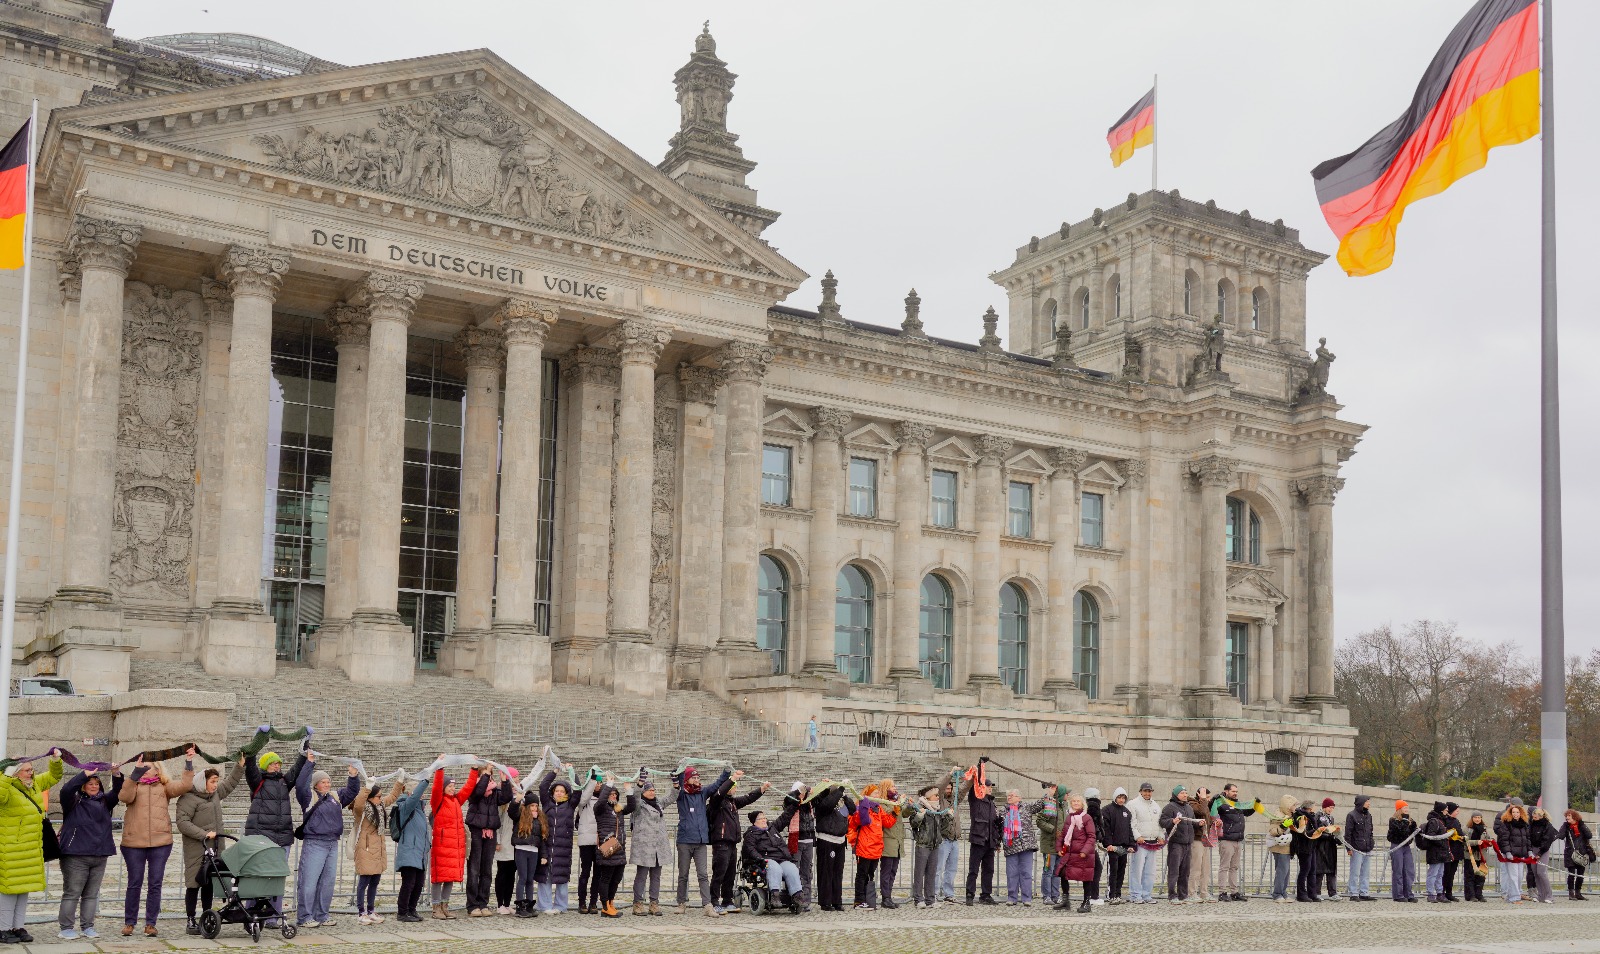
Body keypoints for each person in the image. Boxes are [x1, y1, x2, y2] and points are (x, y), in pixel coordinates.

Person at [119, 748, 195, 937]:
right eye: (142, 768)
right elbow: (124, 797)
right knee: (134, 883)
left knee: (155, 883)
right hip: (134, 842)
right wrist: (134, 774)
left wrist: (188, 763)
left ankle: (150, 923)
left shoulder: (164, 786)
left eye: (148, 767)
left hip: (160, 842)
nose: (145, 771)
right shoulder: (133, 784)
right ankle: (130, 922)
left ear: (157, 770)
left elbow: (185, 785)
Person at [0, 751, 63, 945]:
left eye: (31, 769)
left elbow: (54, 776)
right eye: (26, 770)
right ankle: (3, 928)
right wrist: (7, 774)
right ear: (15, 772)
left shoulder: (34, 784)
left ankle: (18, 927)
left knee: (23, 890)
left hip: (31, 849)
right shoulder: (7, 787)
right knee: (8, 891)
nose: (31, 773)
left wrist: (55, 760)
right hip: (11, 850)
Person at [175, 758, 244, 935]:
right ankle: (191, 919)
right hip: (196, 848)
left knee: (209, 884)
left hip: (214, 847)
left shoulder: (214, 795)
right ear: (202, 781)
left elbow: (230, 784)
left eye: (216, 781)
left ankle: (206, 916)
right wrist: (203, 834)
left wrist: (240, 766)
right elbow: (182, 822)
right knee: (193, 884)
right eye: (212, 781)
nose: (215, 785)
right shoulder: (188, 798)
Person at [55, 763, 122, 940]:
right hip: (76, 855)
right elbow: (66, 789)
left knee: (91, 895)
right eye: (90, 783)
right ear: (83, 786)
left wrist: (116, 774)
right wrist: (84, 774)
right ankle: (66, 928)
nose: (94, 786)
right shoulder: (72, 801)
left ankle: (88, 926)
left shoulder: (104, 801)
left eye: (96, 784)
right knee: (72, 893)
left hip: (99, 854)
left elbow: (117, 791)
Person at [244, 747, 307, 926]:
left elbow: (295, 770)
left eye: (278, 763)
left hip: (283, 837)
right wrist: (254, 746)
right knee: (258, 875)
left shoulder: (284, 782)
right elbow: (250, 768)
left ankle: (274, 916)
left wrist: (303, 752)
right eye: (272, 763)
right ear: (265, 766)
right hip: (262, 837)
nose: (276, 766)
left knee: (278, 878)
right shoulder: (258, 781)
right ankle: (251, 913)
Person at [295, 759, 360, 928]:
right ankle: (304, 916)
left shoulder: (335, 797)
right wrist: (309, 764)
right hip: (315, 843)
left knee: (327, 882)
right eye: (323, 782)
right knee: (309, 882)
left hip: (332, 843)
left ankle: (322, 914)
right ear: (316, 784)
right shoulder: (308, 797)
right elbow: (300, 785)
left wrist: (353, 775)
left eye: (328, 781)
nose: (327, 784)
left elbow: (352, 791)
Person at [709, 768, 768, 913]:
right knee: (719, 874)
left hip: (732, 843)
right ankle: (714, 901)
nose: (734, 788)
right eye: (732, 786)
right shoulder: (716, 800)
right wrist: (732, 778)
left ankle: (727, 900)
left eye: (735, 786)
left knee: (730, 874)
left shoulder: (733, 802)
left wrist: (761, 789)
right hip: (721, 843)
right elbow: (720, 792)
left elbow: (748, 798)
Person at [430, 761, 482, 919]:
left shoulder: (456, 801)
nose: (453, 789)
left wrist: (474, 769)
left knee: (450, 877)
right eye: (449, 786)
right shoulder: (438, 801)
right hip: (442, 846)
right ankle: (436, 908)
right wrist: (440, 768)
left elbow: (468, 788)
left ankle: (445, 906)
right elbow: (436, 788)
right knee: (438, 878)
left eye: (453, 786)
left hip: (455, 847)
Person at [669, 765, 722, 916]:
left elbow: (716, 785)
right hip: (685, 841)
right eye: (694, 777)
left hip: (700, 842)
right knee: (683, 875)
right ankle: (681, 903)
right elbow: (677, 779)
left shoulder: (702, 792)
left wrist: (726, 773)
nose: (697, 780)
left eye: (698, 777)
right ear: (687, 779)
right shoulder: (681, 794)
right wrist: (681, 767)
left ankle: (707, 905)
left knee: (703, 875)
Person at [349, 778, 399, 925]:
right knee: (363, 882)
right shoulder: (362, 810)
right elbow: (358, 803)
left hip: (378, 850)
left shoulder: (380, 805)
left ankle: (371, 910)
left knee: (375, 882)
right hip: (365, 849)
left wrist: (400, 781)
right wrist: (367, 787)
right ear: (370, 797)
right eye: (378, 796)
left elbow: (392, 796)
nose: (381, 798)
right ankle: (361, 912)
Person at [464, 766, 512, 917]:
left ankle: (483, 902)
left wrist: (504, 781)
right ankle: (472, 904)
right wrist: (484, 776)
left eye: (490, 774)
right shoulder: (474, 787)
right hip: (476, 831)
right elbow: (477, 794)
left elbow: (506, 798)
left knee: (487, 870)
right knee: (474, 869)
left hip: (490, 832)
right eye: (486, 774)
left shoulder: (494, 790)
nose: (489, 776)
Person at [628, 773, 672, 916]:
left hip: (658, 846)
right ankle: (638, 903)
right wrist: (640, 783)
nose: (652, 792)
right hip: (644, 847)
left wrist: (676, 784)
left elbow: (671, 797)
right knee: (641, 876)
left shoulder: (659, 803)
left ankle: (654, 903)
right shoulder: (639, 805)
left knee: (656, 876)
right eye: (649, 790)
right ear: (644, 792)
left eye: (653, 790)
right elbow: (635, 797)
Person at [392, 774, 433, 923]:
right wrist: (425, 780)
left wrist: (427, 845)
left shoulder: (419, 810)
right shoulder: (405, 806)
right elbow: (414, 797)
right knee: (408, 883)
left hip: (420, 853)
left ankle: (411, 909)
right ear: (411, 793)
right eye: (418, 792)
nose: (421, 796)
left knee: (419, 883)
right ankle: (402, 912)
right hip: (409, 851)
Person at [773, 780, 820, 910]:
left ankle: (806, 900)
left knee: (806, 871)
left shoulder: (809, 803)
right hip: (796, 840)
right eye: (801, 791)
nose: (803, 794)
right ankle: (792, 898)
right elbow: (789, 798)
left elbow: (818, 798)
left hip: (808, 840)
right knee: (793, 870)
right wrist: (800, 791)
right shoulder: (792, 802)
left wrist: (818, 789)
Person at [849, 784, 898, 910]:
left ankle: (868, 899)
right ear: (868, 795)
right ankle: (859, 900)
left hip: (876, 847)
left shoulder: (878, 808)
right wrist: (864, 806)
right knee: (862, 874)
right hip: (864, 847)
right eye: (875, 793)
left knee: (870, 874)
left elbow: (887, 822)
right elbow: (859, 820)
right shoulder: (862, 807)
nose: (878, 795)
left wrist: (894, 812)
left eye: (878, 793)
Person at [592, 778, 633, 918]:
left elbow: (632, 806)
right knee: (606, 878)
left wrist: (629, 790)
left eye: (615, 794)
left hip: (619, 849)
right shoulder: (600, 808)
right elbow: (601, 801)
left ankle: (610, 902)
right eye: (611, 794)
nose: (613, 796)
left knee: (616, 879)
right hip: (608, 848)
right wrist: (608, 785)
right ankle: (604, 906)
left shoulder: (618, 809)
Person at [812, 780, 855, 912]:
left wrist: (845, 796)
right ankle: (825, 902)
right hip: (826, 839)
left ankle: (837, 900)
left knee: (837, 872)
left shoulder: (840, 799)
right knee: (826, 872)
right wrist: (839, 790)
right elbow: (827, 805)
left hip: (840, 840)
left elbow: (853, 810)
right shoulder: (821, 799)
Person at [960, 760, 999, 905]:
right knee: (973, 870)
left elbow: (994, 824)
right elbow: (976, 783)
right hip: (978, 840)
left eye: (991, 786)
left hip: (989, 841)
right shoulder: (976, 799)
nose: (990, 788)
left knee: (989, 870)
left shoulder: (992, 803)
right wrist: (980, 764)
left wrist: (996, 841)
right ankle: (970, 894)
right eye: (987, 786)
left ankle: (986, 895)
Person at [998, 788, 1045, 905]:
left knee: (1026, 873)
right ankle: (1012, 897)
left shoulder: (1026, 807)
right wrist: (997, 843)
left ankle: (1026, 898)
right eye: (1008, 795)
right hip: (1011, 846)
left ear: (1019, 798)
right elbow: (999, 828)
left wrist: (1049, 793)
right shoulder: (1003, 811)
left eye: (1012, 795)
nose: (1009, 797)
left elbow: (1040, 804)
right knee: (1011, 873)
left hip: (1026, 845)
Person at [743, 810, 804, 902]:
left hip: (780, 858)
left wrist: (794, 805)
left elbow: (784, 818)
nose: (764, 820)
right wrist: (759, 858)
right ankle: (775, 894)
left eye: (764, 818)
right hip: (764, 859)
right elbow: (750, 849)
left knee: (792, 868)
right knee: (775, 867)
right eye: (760, 819)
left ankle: (797, 895)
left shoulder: (772, 828)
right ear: (754, 822)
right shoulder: (751, 834)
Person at [1212, 784, 1259, 902]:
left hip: (1238, 840)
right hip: (1227, 840)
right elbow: (1210, 810)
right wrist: (1213, 799)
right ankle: (1222, 892)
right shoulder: (1220, 803)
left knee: (1234, 867)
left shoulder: (1237, 804)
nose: (1235, 793)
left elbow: (1247, 812)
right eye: (1233, 791)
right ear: (1226, 791)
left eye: (1236, 791)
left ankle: (1234, 892)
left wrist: (1255, 805)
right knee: (1224, 867)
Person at [910, 784, 954, 909]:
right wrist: (919, 816)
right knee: (919, 873)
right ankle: (918, 899)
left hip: (935, 845)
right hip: (923, 844)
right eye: (935, 795)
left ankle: (930, 899)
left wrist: (948, 817)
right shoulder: (920, 808)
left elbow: (942, 828)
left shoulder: (937, 810)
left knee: (931, 873)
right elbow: (913, 824)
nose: (938, 797)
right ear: (928, 797)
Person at [537, 770, 576, 914]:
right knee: (545, 876)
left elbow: (578, 790)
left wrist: (572, 773)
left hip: (563, 847)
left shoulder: (570, 805)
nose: (559, 793)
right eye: (557, 790)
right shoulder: (547, 803)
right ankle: (544, 905)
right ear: (553, 792)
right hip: (546, 845)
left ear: (566, 793)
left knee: (562, 878)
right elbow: (543, 786)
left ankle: (561, 906)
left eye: (562, 791)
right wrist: (553, 772)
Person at [507, 784, 545, 918]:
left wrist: (543, 855)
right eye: (532, 805)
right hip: (522, 849)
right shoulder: (520, 815)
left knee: (530, 879)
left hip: (533, 851)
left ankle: (529, 905)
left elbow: (542, 838)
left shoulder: (539, 819)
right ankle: (519, 906)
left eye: (536, 806)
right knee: (522, 878)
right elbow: (512, 811)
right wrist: (517, 800)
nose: (534, 808)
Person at [1056, 793, 1098, 913]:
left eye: (1078, 801)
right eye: (1073, 801)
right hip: (1070, 852)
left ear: (1082, 804)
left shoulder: (1087, 818)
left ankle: (1086, 902)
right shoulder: (1069, 817)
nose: (1075, 803)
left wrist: (1085, 850)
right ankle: (1065, 900)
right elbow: (1063, 834)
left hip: (1083, 854)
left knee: (1086, 877)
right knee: (1063, 873)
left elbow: (1091, 836)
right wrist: (1059, 848)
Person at [1160, 786, 1200, 904]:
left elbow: (1192, 822)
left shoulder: (1189, 808)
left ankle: (1183, 895)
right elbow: (1162, 822)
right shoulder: (1170, 807)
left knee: (1185, 871)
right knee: (1174, 870)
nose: (1185, 795)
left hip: (1187, 843)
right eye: (1182, 793)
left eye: (1186, 793)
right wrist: (1172, 821)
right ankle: (1172, 895)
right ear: (1176, 795)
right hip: (1176, 843)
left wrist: (1199, 823)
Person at [1127, 781, 1163, 904]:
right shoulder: (1133, 804)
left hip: (1153, 842)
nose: (1147, 793)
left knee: (1150, 871)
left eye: (1149, 791)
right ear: (1140, 791)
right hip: (1140, 842)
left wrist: (1160, 836)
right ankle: (1135, 895)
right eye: (1145, 791)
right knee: (1137, 870)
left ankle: (1146, 894)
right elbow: (1132, 823)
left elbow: (1159, 824)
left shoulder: (1156, 806)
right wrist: (1137, 836)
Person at [1493, 799, 1532, 904]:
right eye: (1513, 812)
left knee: (1519, 876)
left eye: (1517, 812)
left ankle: (1514, 894)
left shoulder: (1524, 824)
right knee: (1513, 876)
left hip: (1521, 854)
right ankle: (1514, 897)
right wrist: (1508, 852)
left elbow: (1527, 839)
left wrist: (1529, 851)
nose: (1515, 814)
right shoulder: (1506, 824)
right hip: (1511, 854)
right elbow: (1504, 839)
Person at [1100, 788, 1134, 904]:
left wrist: (1131, 844)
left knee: (1121, 872)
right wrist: (1108, 843)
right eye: (1119, 797)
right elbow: (1106, 829)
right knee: (1113, 872)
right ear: (1115, 797)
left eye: (1123, 798)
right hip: (1113, 847)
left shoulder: (1127, 812)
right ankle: (1111, 895)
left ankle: (1118, 894)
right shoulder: (1107, 810)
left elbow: (1129, 829)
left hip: (1123, 847)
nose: (1121, 800)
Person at [574, 772, 601, 914]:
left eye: (600, 782)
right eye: (596, 782)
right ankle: (582, 902)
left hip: (599, 840)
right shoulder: (584, 800)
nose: (598, 785)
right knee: (585, 872)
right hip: (586, 841)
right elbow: (583, 799)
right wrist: (592, 780)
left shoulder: (603, 799)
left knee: (598, 874)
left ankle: (593, 902)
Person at [493, 772, 520, 916]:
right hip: (504, 841)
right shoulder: (502, 800)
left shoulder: (520, 798)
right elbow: (497, 822)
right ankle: (500, 904)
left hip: (515, 842)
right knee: (502, 873)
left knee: (511, 874)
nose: (515, 784)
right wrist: (497, 841)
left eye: (517, 780)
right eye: (513, 781)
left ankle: (508, 903)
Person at [877, 778, 907, 908]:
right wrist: (898, 804)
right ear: (886, 788)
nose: (895, 788)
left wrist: (908, 806)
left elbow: (904, 813)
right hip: (888, 840)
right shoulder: (882, 802)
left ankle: (888, 895)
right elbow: (887, 813)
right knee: (886, 871)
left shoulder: (896, 801)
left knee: (893, 871)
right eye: (892, 786)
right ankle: (885, 897)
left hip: (897, 841)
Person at [1187, 786, 1219, 903]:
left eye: (1209, 797)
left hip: (1205, 839)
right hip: (1196, 839)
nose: (1208, 799)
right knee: (1196, 868)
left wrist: (1214, 822)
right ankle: (1192, 892)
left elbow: (1206, 817)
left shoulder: (1205, 804)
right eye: (1206, 797)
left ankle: (1204, 892)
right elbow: (1201, 811)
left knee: (1205, 869)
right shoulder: (1192, 803)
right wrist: (1203, 799)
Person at [1342, 795, 1376, 901]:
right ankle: (1353, 893)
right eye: (1367, 802)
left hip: (1367, 848)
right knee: (1355, 872)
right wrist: (1348, 848)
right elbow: (1348, 834)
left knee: (1365, 872)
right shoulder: (1351, 815)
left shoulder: (1369, 815)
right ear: (1361, 803)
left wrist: (1371, 843)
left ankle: (1364, 892)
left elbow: (1370, 831)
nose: (1369, 804)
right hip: (1356, 848)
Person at [935, 774, 962, 903]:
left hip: (954, 840)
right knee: (938, 868)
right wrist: (950, 774)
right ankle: (934, 893)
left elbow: (963, 790)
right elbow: (938, 787)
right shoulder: (940, 800)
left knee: (951, 869)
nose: (948, 790)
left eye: (950, 788)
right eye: (947, 788)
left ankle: (949, 894)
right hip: (944, 839)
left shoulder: (955, 801)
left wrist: (971, 778)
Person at [1420, 801, 1453, 902]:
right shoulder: (1434, 821)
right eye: (1446, 810)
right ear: (1441, 810)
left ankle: (1439, 893)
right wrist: (1442, 842)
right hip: (1435, 852)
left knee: (1440, 874)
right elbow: (1431, 836)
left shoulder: (1441, 821)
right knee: (1433, 873)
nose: (1447, 812)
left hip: (1441, 852)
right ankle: (1430, 893)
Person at [1036, 783, 1063, 906]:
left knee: (1057, 872)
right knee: (1048, 871)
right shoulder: (1050, 804)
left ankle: (1055, 895)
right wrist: (1053, 829)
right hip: (1049, 846)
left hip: (1060, 846)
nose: (1068, 795)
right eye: (1066, 793)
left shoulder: (1063, 807)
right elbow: (1040, 821)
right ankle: (1046, 896)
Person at [1559, 808, 1594, 901]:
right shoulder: (1566, 826)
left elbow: (1589, 835)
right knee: (1571, 874)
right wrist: (1564, 827)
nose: (1567, 818)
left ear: (1574, 817)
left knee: (1580, 874)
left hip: (1582, 853)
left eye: (1569, 816)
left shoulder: (1581, 825)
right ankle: (1571, 893)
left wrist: (1582, 825)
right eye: (1566, 816)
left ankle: (1578, 893)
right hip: (1570, 853)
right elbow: (1561, 836)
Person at [1387, 800, 1418, 902]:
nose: (1407, 810)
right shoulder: (1393, 820)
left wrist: (1414, 827)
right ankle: (1398, 894)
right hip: (1397, 846)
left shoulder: (1410, 820)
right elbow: (1401, 831)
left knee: (1409, 870)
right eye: (1404, 808)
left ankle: (1408, 893)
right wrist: (1405, 820)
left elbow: (1413, 831)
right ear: (1399, 809)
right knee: (1398, 870)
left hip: (1406, 846)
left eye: (1407, 808)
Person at [1291, 799, 1321, 902]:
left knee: (1312, 871)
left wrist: (1318, 830)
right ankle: (1301, 894)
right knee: (1305, 871)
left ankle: (1312, 893)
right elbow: (1302, 832)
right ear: (1310, 808)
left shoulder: (1311, 816)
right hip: (1303, 847)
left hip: (1311, 846)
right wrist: (1315, 831)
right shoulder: (1300, 816)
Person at [1526, 806, 1557, 904]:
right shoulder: (1531, 825)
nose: (1534, 817)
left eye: (1537, 815)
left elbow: (1547, 840)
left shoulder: (1547, 826)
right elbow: (1528, 838)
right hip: (1533, 849)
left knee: (1541, 872)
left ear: (1541, 816)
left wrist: (1540, 853)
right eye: (1534, 815)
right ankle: (1541, 895)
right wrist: (1530, 850)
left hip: (1543, 850)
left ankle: (1549, 895)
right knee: (1535, 872)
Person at [1269, 795, 1297, 902]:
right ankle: (1277, 894)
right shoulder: (1278, 815)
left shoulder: (1290, 815)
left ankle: (1283, 893)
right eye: (1294, 805)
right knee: (1281, 871)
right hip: (1279, 847)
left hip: (1287, 847)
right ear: (1288, 805)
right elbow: (1273, 831)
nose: (1295, 807)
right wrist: (1283, 826)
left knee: (1286, 871)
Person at [1314, 797, 1341, 899]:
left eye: (1332, 807)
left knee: (1331, 871)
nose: (1331, 809)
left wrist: (1337, 838)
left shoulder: (1331, 818)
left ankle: (1333, 893)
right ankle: (1317, 893)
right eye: (1329, 807)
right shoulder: (1318, 816)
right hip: (1320, 847)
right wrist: (1329, 836)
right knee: (1319, 871)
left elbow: (1332, 831)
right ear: (1324, 807)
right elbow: (1317, 832)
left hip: (1330, 847)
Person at [1082, 788, 1103, 905]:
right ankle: (1093, 896)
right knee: (1096, 868)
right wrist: (1099, 835)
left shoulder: (1088, 806)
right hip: (1089, 843)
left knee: (1093, 868)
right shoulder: (1093, 807)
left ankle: (1091, 895)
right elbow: (1094, 825)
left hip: (1088, 842)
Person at [1463, 811, 1490, 903]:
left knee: (1481, 876)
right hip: (1470, 856)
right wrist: (1476, 842)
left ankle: (1479, 894)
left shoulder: (1484, 829)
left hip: (1481, 856)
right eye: (1475, 817)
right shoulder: (1467, 829)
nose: (1477, 819)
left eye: (1479, 817)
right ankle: (1471, 895)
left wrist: (1489, 842)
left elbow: (1487, 838)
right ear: (1472, 818)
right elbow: (1464, 841)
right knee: (1470, 876)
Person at [1442, 803, 1464, 902]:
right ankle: (1442, 892)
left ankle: (1449, 893)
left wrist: (1463, 837)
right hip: (1449, 849)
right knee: (1446, 873)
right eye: (1456, 811)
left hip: (1457, 850)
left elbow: (1460, 832)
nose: (1458, 812)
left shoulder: (1456, 821)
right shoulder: (1445, 820)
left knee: (1452, 873)